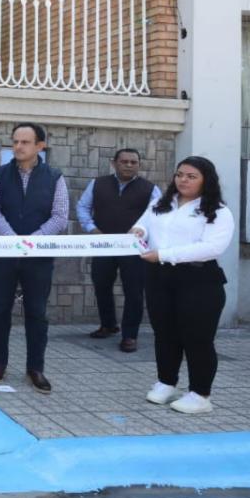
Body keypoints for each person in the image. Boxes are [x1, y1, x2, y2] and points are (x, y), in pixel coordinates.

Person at [131, 156, 235, 415]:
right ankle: (166, 382)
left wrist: (164, 254)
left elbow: (212, 247)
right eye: (179, 175)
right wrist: (139, 231)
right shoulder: (162, 203)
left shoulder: (218, 211)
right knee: (164, 333)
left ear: (206, 180)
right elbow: (144, 222)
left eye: (191, 176)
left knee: (197, 338)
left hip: (198, 280)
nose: (183, 180)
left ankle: (200, 394)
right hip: (159, 277)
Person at [0, 122, 68, 394]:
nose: (18, 147)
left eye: (25, 142)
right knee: (0, 310)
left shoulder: (55, 177)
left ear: (40, 146)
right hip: (4, 255)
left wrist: (32, 241)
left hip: (38, 256)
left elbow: (60, 216)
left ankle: (35, 368)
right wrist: (13, 241)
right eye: (15, 142)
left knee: (37, 312)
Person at [76, 148, 160, 352]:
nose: (129, 165)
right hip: (104, 244)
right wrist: (92, 229)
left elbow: (157, 216)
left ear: (139, 165)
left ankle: (130, 335)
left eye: (133, 162)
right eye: (124, 161)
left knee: (134, 291)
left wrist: (144, 235)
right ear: (114, 163)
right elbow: (82, 207)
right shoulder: (98, 184)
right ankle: (108, 325)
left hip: (134, 249)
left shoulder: (151, 189)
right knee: (101, 284)